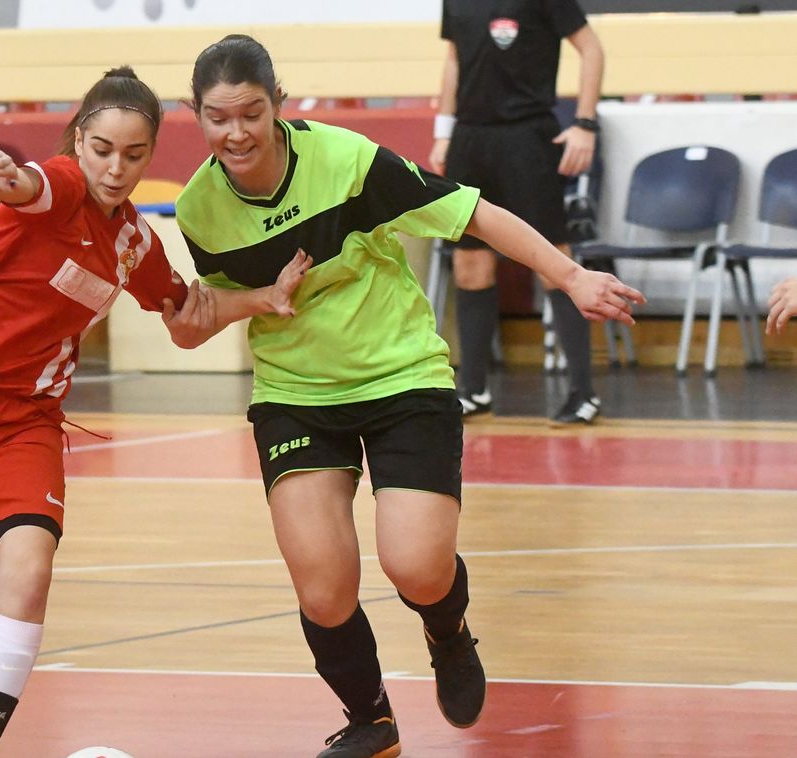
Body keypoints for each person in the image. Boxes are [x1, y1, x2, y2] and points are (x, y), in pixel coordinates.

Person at [173, 35, 642, 758]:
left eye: (251, 113)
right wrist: (251, 300)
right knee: (323, 587)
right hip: (296, 394)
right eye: (217, 117)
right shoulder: (198, 207)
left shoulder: (347, 162)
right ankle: (371, 720)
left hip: (400, 376)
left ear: (278, 106)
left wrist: (570, 277)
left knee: (416, 565)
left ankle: (446, 630)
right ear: (194, 115)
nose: (235, 132)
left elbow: (473, 213)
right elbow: (209, 317)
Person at [0, 66, 309, 758]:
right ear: (77, 141)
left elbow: (185, 316)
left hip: (26, 419)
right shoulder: (58, 186)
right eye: (101, 150)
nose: (115, 169)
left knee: (28, 575)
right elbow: (13, 187)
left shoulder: (133, 244)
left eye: (133, 154)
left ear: (151, 155)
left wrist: (262, 299)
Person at [429, 0, 606, 425]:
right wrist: (444, 131)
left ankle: (583, 393)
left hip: (527, 137)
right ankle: (473, 390)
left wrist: (585, 123)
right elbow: (454, 59)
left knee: (554, 264)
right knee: (469, 265)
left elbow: (592, 49)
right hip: (471, 140)